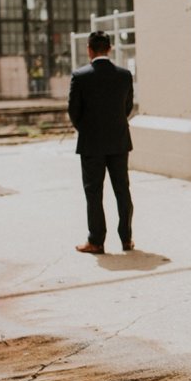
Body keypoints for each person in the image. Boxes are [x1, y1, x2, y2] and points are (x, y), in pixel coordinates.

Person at [68, 30, 134, 254]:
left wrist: (87, 129)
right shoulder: (124, 75)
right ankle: (126, 239)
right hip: (119, 141)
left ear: (89, 49)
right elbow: (127, 107)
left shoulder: (80, 76)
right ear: (109, 49)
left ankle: (96, 241)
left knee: (94, 192)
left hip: (91, 144)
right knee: (122, 189)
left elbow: (74, 112)